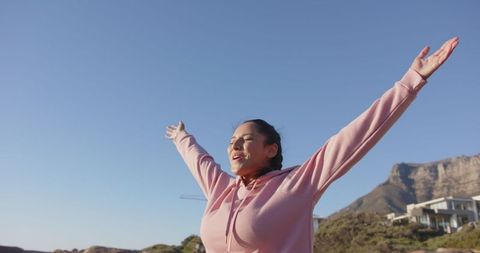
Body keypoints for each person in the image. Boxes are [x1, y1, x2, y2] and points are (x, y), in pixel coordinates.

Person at [165, 37, 459, 253]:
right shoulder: (220, 190)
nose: (234, 146)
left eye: (246, 139)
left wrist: (411, 81)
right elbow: (199, 160)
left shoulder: (297, 185)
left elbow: (354, 137)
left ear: (271, 149)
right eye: (231, 142)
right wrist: (182, 137)